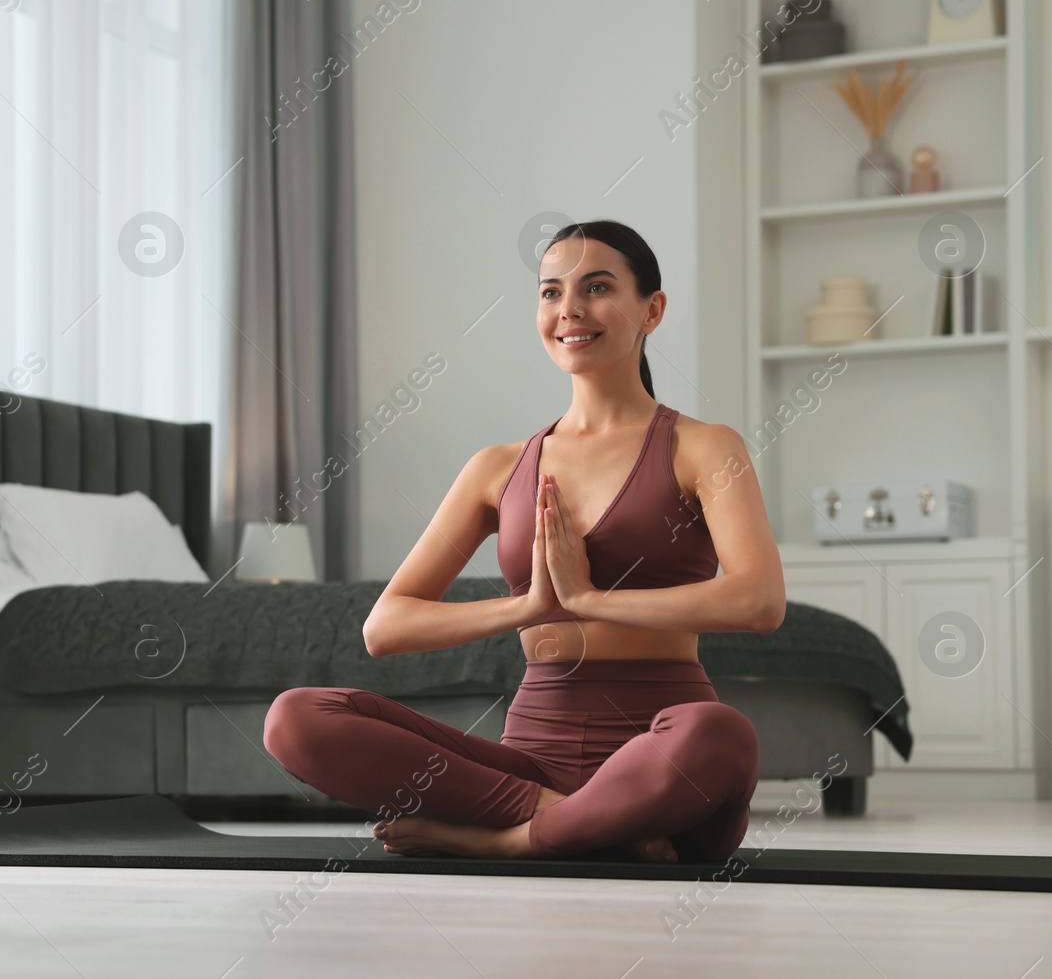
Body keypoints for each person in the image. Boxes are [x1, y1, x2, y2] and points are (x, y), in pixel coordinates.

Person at [262, 219, 785, 861]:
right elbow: (386, 627)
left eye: (596, 288)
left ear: (652, 310)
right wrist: (529, 607)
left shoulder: (704, 447)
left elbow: (759, 602)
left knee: (720, 733)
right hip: (528, 767)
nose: (569, 310)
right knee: (297, 717)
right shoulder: (498, 467)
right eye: (550, 292)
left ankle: (503, 844)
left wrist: (588, 598)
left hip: (666, 763)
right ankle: (567, 824)